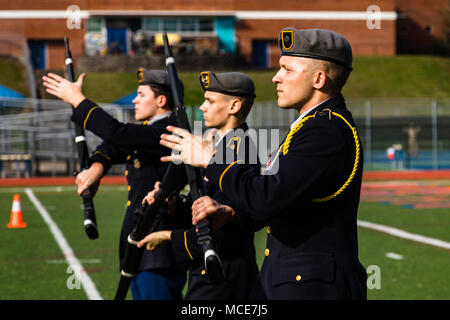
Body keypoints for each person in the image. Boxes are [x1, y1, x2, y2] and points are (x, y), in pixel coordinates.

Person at [159, 28, 367, 300]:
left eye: (287, 69)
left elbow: (266, 198)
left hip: (312, 288)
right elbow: (281, 201)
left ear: (318, 78)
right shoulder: (311, 127)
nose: (276, 77)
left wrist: (212, 158)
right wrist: (231, 214)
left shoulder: (326, 130)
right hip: (288, 282)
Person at [42, 68, 186, 300]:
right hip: (141, 247)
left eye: (141, 94)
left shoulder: (170, 130)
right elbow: (114, 146)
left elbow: (118, 135)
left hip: (157, 252)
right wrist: (97, 168)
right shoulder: (152, 130)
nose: (134, 100)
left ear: (161, 100)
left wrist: (77, 100)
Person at [137, 71, 261, 299]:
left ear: (234, 105)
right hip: (213, 270)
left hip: (224, 275)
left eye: (210, 101)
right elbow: (209, 203)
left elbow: (224, 223)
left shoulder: (238, 150)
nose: (202, 107)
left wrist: (167, 236)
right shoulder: (221, 147)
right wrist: (178, 205)